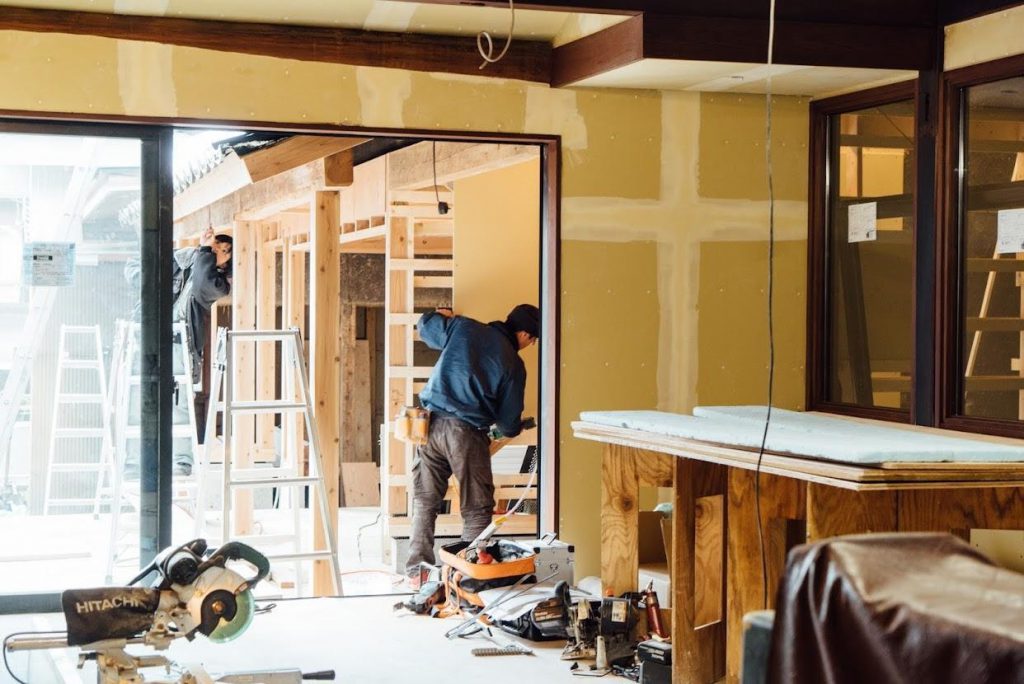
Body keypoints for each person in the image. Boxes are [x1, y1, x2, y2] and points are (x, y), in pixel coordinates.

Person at [406, 303, 539, 584]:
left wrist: (440, 315)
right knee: (477, 508)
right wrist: (512, 428)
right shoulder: (513, 364)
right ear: (526, 334)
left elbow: (425, 326)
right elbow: (508, 422)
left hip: (428, 426)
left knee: (426, 500)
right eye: (534, 339)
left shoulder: (463, 327)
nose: (532, 344)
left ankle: (417, 574)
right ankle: (465, 577)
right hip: (465, 433)